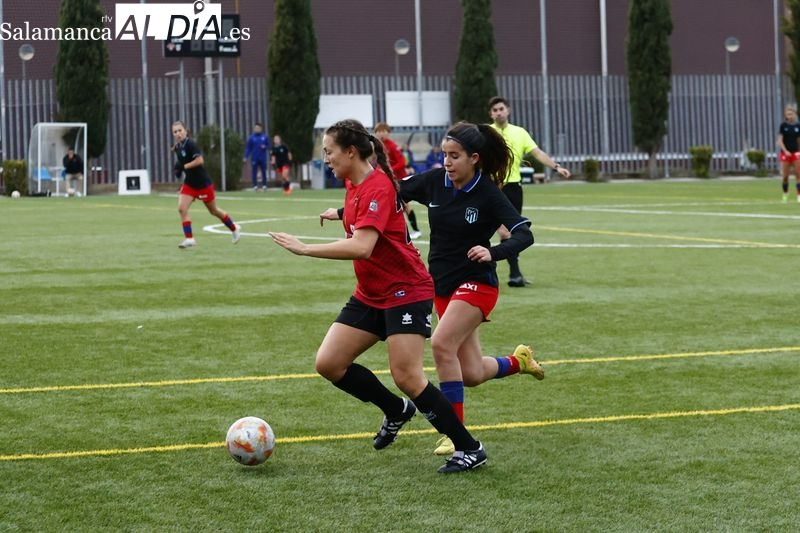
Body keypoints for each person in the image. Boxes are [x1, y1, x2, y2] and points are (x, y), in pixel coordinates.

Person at [275, 118, 487, 473]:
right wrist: (339, 214)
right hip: (371, 293)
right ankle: (395, 409)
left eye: (329, 151)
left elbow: (363, 246)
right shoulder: (352, 184)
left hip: (406, 291)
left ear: (351, 151)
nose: (325, 158)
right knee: (328, 363)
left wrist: (305, 248)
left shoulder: (378, 186)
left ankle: (469, 448)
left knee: (407, 374)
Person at [398, 121, 545, 456]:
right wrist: (345, 212)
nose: (447, 163)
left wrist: (492, 251)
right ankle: (519, 361)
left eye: (454, 156)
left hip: (477, 283)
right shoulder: (435, 182)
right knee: (472, 373)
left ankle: (454, 432)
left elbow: (525, 233)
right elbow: (393, 192)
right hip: (443, 285)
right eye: (444, 155)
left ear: (474, 158)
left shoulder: (489, 194)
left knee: (441, 344)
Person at [488, 96, 571, 287]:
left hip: (513, 188)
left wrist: (556, 167)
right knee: (501, 231)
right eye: (495, 110)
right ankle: (510, 273)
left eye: (501, 109)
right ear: (491, 114)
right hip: (492, 187)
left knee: (510, 231)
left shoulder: (519, 132)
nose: (498, 112)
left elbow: (537, 153)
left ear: (508, 110)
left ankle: (512, 274)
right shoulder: (487, 133)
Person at [171, 120, 241, 249]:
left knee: (213, 211)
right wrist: (178, 168)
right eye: (175, 132)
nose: (178, 134)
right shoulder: (177, 147)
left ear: (186, 131)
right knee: (181, 208)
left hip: (203, 184)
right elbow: (181, 162)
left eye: (180, 130)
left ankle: (234, 228)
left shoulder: (191, 144)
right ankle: (189, 239)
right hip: (190, 184)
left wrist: (185, 166)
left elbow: (200, 160)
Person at [373, 122, 423, 239]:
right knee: (392, 205)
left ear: (388, 132)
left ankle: (416, 230)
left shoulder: (392, 145)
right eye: (378, 131)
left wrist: (388, 170)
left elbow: (401, 162)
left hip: (399, 179)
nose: (381, 134)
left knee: (405, 205)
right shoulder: (378, 146)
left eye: (383, 131)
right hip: (390, 179)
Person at [777, 104, 800, 203]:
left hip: (796, 153)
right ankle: (785, 194)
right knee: (785, 176)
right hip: (785, 153)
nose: (790, 116)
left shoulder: (798, 126)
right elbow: (780, 140)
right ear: (785, 115)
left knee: (798, 175)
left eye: (791, 114)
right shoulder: (783, 126)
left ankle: (799, 196)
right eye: (788, 114)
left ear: (794, 114)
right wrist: (785, 151)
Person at [244, 122, 270, 191]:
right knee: (254, 172)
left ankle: (264, 185)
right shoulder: (251, 137)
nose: (256, 129)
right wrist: (245, 157)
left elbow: (269, 146)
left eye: (258, 128)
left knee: (263, 171)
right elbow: (248, 148)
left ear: (261, 129)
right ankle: (255, 186)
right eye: (255, 128)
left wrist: (265, 146)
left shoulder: (265, 137)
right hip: (254, 157)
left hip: (262, 158)